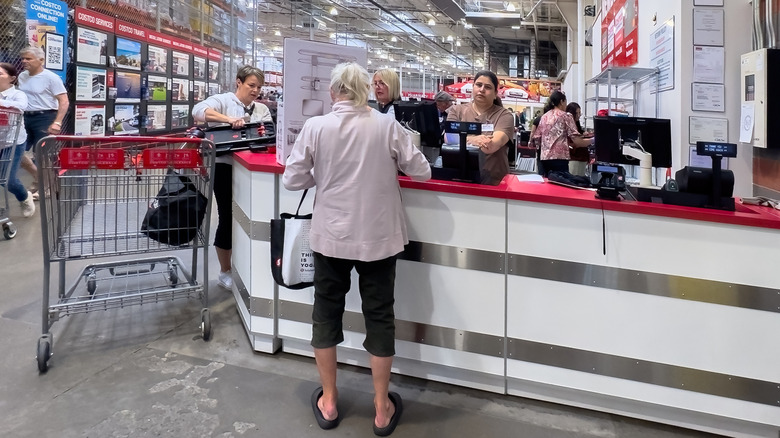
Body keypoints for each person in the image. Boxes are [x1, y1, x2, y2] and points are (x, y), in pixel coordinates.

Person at [282, 62, 430, 436]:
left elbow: (292, 180)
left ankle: (329, 401)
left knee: (326, 312)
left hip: (330, 236)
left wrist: (325, 173)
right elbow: (422, 171)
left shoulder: (316, 127)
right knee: (380, 314)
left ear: (333, 92)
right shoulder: (387, 126)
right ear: (366, 91)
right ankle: (381, 408)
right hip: (379, 237)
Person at [192, 65, 272, 290]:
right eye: (251, 85)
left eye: (258, 87)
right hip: (225, 168)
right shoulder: (223, 100)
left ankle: (247, 265)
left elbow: (267, 133)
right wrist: (229, 120)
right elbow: (199, 111)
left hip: (254, 171)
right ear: (239, 82)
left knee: (252, 216)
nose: (255, 90)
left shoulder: (261, 109)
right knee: (227, 216)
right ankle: (225, 271)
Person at [17, 46, 68, 201]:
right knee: (17, 153)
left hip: (45, 117)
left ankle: (45, 188)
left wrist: (57, 122)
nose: (24, 61)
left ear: (41, 60)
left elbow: (64, 101)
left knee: (43, 156)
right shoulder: (22, 76)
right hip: (25, 118)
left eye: (28, 58)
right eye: (23, 58)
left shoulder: (51, 78)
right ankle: (39, 178)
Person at [446, 70, 513, 185]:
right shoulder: (457, 111)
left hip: (494, 181)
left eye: (488, 87)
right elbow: (448, 139)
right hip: (460, 178)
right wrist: (474, 140)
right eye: (478, 85)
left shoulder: (504, 115)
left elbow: (490, 146)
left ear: (495, 93)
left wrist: (462, 138)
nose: (482, 90)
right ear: (473, 87)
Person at [0, 62, 35, 218]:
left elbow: (20, 107)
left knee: (7, 180)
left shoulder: (18, 95)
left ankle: (24, 197)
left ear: (12, 78)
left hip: (11, 142)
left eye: (0, 74)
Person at [532, 91, 592, 177]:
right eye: (565, 102)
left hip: (544, 158)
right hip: (559, 158)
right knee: (560, 185)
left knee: (547, 185)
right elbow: (577, 141)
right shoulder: (566, 116)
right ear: (561, 101)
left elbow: (537, 137)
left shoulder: (544, 116)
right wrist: (592, 140)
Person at [565, 102, 590, 176]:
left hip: (581, 158)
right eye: (577, 113)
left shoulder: (576, 124)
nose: (579, 116)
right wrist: (590, 140)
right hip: (575, 158)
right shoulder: (569, 125)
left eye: (580, 113)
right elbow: (575, 143)